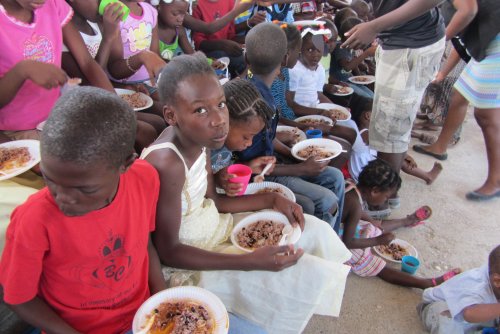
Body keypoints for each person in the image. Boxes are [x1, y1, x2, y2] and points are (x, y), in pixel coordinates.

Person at [142, 52, 352, 334]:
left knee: (311, 230)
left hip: (216, 228)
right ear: (171, 115)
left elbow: (214, 201)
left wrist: (271, 199)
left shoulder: (201, 139)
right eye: (200, 110)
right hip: (194, 259)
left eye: (220, 105)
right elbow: (168, 251)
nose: (219, 120)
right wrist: (247, 262)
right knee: (288, 271)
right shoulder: (167, 163)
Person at [0, 87, 166, 333]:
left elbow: (145, 244)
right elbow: (18, 298)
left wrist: (162, 301)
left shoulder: (144, 178)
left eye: (84, 190)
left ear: (125, 164)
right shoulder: (34, 219)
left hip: (142, 317)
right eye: (50, 179)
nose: (63, 199)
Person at [238, 23, 347, 232]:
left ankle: (334, 238)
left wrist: (294, 154)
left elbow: (267, 139)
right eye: (299, 51)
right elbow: (251, 165)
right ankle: (319, 246)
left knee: (335, 176)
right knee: (326, 199)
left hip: (271, 163)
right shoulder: (255, 102)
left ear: (246, 59)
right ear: (287, 58)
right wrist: (300, 168)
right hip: (261, 175)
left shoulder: (257, 87)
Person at [341, 0, 446, 208]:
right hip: (400, 43)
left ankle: (380, 203)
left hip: (409, 45)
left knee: (389, 136)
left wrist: (374, 26)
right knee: (389, 132)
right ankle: (388, 195)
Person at [412, 0, 500, 201]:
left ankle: (496, 180)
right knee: (459, 96)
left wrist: (434, 43)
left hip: (496, 39)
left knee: (486, 114)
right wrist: (442, 73)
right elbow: (462, 45)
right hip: (486, 40)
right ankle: (439, 147)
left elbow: (468, 11)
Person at [0, 0, 113, 141]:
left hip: (56, 118)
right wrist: (22, 71)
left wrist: (117, 106)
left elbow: (86, 61)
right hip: (17, 131)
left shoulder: (52, 4)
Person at [61, 0, 166, 150]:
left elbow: (103, 72)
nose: (102, 2)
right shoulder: (66, 32)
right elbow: (88, 80)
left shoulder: (95, 24)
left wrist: (129, 87)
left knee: (159, 120)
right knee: (149, 129)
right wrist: (108, 37)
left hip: (103, 96)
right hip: (83, 106)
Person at [342, 159, 461, 287]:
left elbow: (354, 213)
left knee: (371, 226)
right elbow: (348, 242)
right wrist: (379, 241)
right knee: (367, 260)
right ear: (375, 191)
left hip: (338, 226)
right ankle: (425, 283)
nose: (385, 201)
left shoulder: (350, 186)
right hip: (334, 240)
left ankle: (407, 220)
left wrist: (371, 220)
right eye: (386, 197)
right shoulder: (355, 204)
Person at [349, 97, 443, 185]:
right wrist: (404, 155)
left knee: (396, 154)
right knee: (395, 154)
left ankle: (427, 176)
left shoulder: (366, 133)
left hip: (367, 171)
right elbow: (389, 144)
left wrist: (404, 155)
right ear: (368, 116)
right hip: (365, 177)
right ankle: (427, 176)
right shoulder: (365, 134)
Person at [211, 79, 278, 197]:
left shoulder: (227, 145)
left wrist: (249, 166)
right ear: (226, 122)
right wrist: (218, 180)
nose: (250, 143)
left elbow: (224, 170)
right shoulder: (205, 148)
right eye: (246, 137)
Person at [417, 244, 500, 333]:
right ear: (497, 281)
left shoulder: (495, 274)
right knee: (447, 324)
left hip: (476, 313)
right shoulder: (478, 287)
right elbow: (469, 314)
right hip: (445, 307)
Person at [192, 0, 246, 78]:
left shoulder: (229, 2)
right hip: (207, 53)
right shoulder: (196, 4)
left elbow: (230, 34)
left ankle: (247, 82)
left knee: (246, 57)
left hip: (227, 49)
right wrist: (221, 44)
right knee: (225, 58)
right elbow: (197, 42)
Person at [329, 17, 375, 99]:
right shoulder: (340, 47)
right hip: (340, 82)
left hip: (349, 80)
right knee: (368, 98)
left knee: (373, 96)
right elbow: (347, 67)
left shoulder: (351, 46)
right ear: (349, 35)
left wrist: (360, 77)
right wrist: (366, 53)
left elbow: (354, 64)